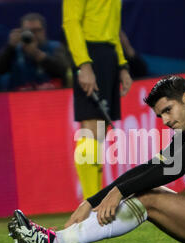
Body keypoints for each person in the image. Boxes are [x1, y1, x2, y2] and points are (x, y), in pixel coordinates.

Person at [8, 75, 185, 243]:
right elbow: (149, 168)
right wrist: (92, 200)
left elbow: (173, 169)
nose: (166, 120)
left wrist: (120, 190)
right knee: (146, 189)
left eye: (169, 110)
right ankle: (55, 240)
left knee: (148, 196)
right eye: (161, 116)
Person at [62, 0, 133, 201]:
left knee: (99, 133)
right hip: (89, 53)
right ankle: (91, 203)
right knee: (90, 129)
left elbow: (114, 28)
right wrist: (83, 64)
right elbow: (71, 22)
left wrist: (121, 64)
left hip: (108, 55)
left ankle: (95, 201)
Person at [0, 12, 70, 91]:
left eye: (36, 30)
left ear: (44, 31)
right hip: (19, 98)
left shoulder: (55, 47)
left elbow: (64, 71)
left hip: (51, 97)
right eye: (28, 31)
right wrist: (9, 47)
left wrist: (37, 54)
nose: (33, 34)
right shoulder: (14, 50)